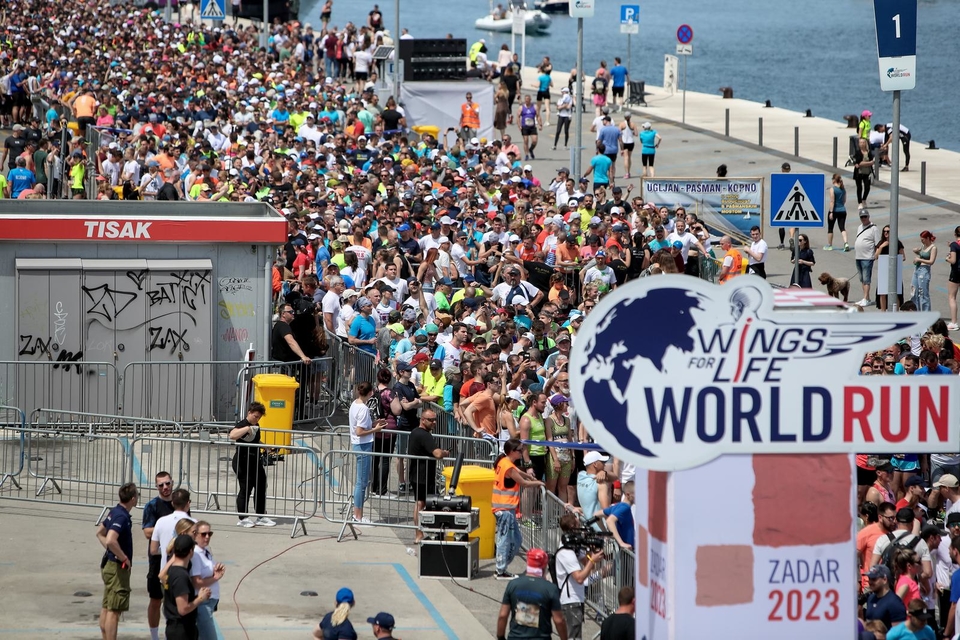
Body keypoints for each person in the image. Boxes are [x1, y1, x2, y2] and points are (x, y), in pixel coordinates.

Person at [493, 439, 545, 579]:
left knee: (516, 540)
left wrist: (529, 475)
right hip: (504, 508)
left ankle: (503, 566)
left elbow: (520, 474)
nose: (522, 453)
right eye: (520, 450)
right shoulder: (507, 466)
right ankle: (500, 570)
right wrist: (538, 482)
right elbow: (523, 483)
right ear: (512, 452)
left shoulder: (505, 462)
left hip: (507, 509)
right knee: (504, 541)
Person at [96, 482, 138, 640]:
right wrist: (123, 557)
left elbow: (100, 533)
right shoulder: (121, 516)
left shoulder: (115, 512)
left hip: (109, 565)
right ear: (133, 499)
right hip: (116, 569)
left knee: (107, 606)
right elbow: (111, 540)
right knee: (114, 610)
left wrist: (111, 551)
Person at [497, 548, 568, 640]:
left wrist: (500, 637)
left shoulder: (513, 584)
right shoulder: (550, 589)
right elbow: (559, 621)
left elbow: (503, 615)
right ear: (544, 566)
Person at [555, 513, 604, 640]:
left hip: (576, 600)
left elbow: (588, 565)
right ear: (572, 527)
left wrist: (590, 551)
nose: (581, 529)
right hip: (570, 602)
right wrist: (592, 560)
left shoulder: (573, 547)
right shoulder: (566, 551)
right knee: (574, 637)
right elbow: (579, 578)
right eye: (578, 525)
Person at [406, 408, 449, 549]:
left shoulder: (416, 432)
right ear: (422, 420)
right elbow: (437, 453)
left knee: (421, 503)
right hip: (422, 475)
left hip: (419, 474)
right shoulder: (424, 435)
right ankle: (420, 533)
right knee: (421, 504)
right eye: (431, 420)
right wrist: (445, 453)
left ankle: (424, 532)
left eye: (435, 419)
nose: (434, 422)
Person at [228, 403, 276, 528]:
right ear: (249, 413)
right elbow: (232, 435)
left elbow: (254, 440)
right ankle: (243, 518)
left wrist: (265, 446)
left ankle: (261, 515)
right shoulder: (243, 424)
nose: (257, 419)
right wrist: (247, 429)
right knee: (246, 488)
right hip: (242, 462)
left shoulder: (256, 425)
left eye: (259, 417)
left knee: (261, 486)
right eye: (255, 416)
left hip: (255, 461)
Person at [142, 472, 175, 640]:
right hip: (157, 560)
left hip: (177, 561)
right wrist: (164, 528)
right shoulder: (152, 506)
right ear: (156, 487)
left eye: (167, 483)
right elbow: (147, 532)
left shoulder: (179, 503)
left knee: (176, 601)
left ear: (172, 483)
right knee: (156, 600)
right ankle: (154, 636)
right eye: (161, 485)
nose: (165, 488)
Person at [349, 381, 387, 525]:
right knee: (362, 482)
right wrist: (375, 430)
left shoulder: (355, 404)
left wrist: (374, 423)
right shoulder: (363, 408)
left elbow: (361, 426)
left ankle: (357, 514)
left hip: (359, 445)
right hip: (362, 445)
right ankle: (357, 515)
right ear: (370, 393)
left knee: (362, 482)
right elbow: (360, 431)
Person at [163, 534, 212, 640]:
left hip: (175, 627)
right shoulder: (181, 576)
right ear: (190, 552)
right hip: (182, 631)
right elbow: (183, 609)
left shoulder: (172, 570)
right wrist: (200, 598)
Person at [190, 521, 226, 640]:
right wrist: (215, 577)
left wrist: (215, 570)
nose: (207, 537)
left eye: (209, 534)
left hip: (210, 603)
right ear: (195, 535)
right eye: (203, 534)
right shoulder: (195, 554)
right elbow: (197, 582)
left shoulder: (206, 551)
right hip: (203, 604)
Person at [150, 489, 195, 568]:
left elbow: (153, 550)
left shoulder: (161, 521)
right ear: (188, 503)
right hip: (186, 569)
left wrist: (165, 550)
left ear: (172, 503)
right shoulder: (194, 523)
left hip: (166, 570)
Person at [864, 565, 908, 629]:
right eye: (869, 579)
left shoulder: (895, 603)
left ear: (885, 579)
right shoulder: (871, 598)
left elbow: (899, 633)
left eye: (874, 579)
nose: (870, 582)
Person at [855, 210, 882, 307]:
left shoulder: (874, 228)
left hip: (867, 257)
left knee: (866, 279)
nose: (863, 219)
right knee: (862, 278)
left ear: (868, 217)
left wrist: (876, 254)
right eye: (861, 217)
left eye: (865, 217)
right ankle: (866, 297)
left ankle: (865, 298)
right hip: (858, 256)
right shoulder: (859, 227)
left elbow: (878, 243)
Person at [912, 230, 937, 312]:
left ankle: (926, 313)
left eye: (923, 239)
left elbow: (931, 261)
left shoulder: (933, 248)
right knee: (914, 292)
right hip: (917, 269)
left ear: (928, 238)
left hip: (924, 270)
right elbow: (922, 255)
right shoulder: (923, 246)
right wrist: (917, 251)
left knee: (923, 294)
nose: (921, 241)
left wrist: (919, 259)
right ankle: (916, 312)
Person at [824, 173, 850, 252]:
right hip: (842, 210)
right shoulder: (843, 189)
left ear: (834, 180)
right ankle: (846, 243)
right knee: (842, 227)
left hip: (834, 210)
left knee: (830, 228)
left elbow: (832, 201)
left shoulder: (833, 189)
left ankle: (829, 245)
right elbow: (844, 200)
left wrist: (831, 212)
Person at [517, 94, 542, 161]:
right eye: (526, 100)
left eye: (528, 100)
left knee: (534, 140)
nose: (527, 101)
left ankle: (531, 149)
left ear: (530, 100)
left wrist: (540, 124)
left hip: (532, 126)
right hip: (524, 126)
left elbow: (538, 116)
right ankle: (526, 154)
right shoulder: (521, 107)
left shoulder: (534, 107)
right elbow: (518, 117)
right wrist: (519, 125)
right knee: (525, 140)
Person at [946, 226, 960, 331]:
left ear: (955, 234)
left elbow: (953, 260)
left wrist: (948, 258)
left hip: (956, 273)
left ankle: (954, 322)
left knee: (952, 297)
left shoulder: (954, 245)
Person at [619, 113, 638, 179]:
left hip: (624, 142)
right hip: (631, 142)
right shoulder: (633, 124)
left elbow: (619, 134)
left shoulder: (621, 124)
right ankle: (629, 171)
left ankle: (627, 173)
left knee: (625, 158)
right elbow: (636, 134)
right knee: (629, 157)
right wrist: (631, 133)